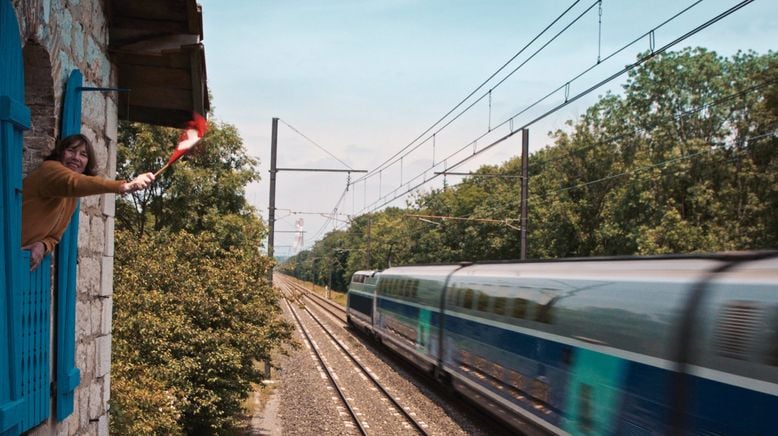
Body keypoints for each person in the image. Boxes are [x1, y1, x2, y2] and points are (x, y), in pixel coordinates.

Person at [21, 134, 155, 271]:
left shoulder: (71, 198)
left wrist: (42, 245)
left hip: (17, 259)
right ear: (60, 153)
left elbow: (54, 237)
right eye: (71, 151)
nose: (76, 157)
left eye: (83, 154)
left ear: (87, 162)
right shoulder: (49, 169)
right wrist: (125, 186)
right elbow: (73, 182)